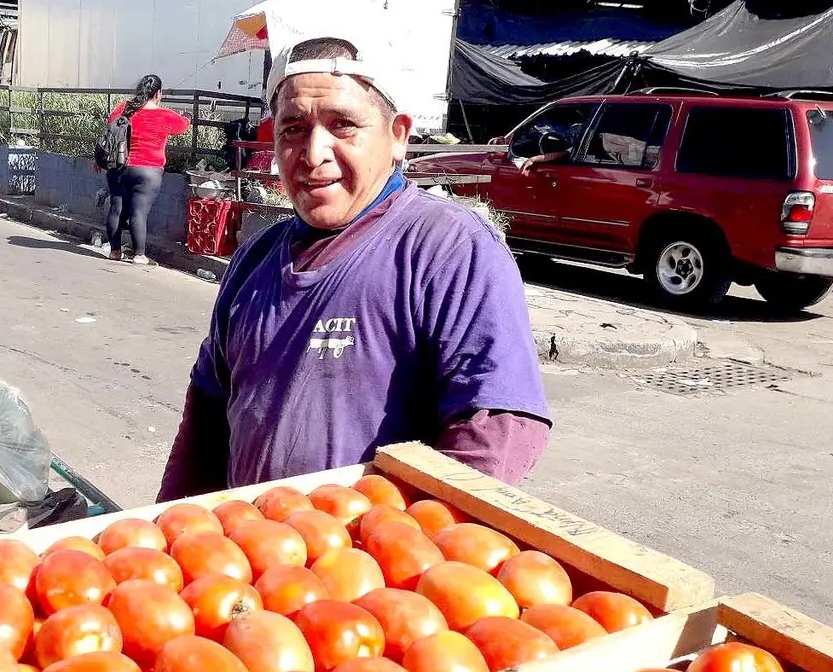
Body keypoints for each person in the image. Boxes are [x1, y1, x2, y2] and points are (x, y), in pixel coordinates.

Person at [156, 33, 551, 502]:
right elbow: (206, 414)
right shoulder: (254, 258)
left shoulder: (448, 247)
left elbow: (495, 430)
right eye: (293, 129)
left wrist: (402, 547)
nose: (313, 153)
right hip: (246, 561)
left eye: (342, 125)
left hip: (369, 562)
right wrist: (171, 534)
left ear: (398, 136)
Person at [104, 74, 190, 264]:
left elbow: (110, 124)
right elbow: (182, 125)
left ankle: (115, 251)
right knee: (138, 212)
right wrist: (188, 116)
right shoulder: (165, 115)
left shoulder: (123, 108)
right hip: (148, 170)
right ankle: (139, 255)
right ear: (158, 93)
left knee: (116, 208)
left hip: (119, 165)